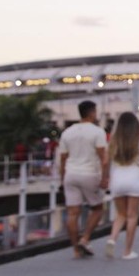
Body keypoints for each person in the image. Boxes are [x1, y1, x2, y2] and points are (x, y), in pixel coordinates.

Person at [58, 100, 109, 259]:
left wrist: (62, 178)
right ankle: (85, 238)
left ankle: (75, 249)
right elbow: (104, 158)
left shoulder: (67, 132)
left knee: (73, 213)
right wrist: (105, 177)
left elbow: (63, 159)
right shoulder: (97, 132)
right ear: (92, 112)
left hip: (70, 174)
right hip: (89, 173)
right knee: (98, 209)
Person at [105, 112, 139, 260]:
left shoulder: (114, 140)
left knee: (121, 215)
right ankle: (127, 251)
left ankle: (112, 238)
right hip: (135, 179)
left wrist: (106, 177)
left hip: (117, 180)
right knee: (132, 216)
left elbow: (106, 161)